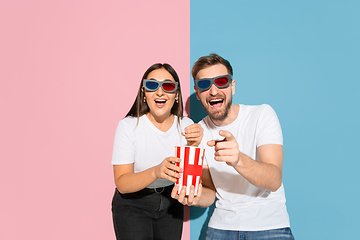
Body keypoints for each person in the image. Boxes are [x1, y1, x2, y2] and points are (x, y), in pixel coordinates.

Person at [172, 54, 295, 239]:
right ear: (197, 93)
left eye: (221, 81)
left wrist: (238, 160)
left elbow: (274, 179)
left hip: (269, 226)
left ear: (232, 86)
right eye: (205, 85)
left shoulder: (262, 115)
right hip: (221, 228)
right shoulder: (198, 133)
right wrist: (195, 198)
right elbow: (210, 193)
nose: (213, 91)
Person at [111, 63, 203, 240]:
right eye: (152, 85)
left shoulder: (187, 126)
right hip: (133, 204)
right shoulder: (128, 126)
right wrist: (156, 171)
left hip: (171, 203)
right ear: (144, 93)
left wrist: (198, 144)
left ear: (176, 95)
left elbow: (191, 178)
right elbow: (122, 183)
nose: (160, 92)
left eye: (168, 86)